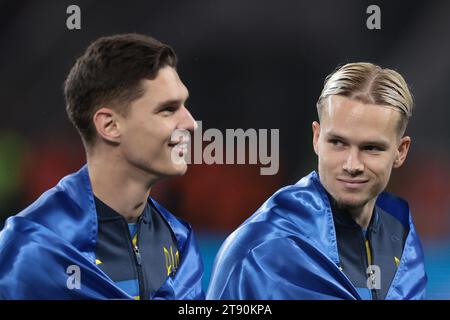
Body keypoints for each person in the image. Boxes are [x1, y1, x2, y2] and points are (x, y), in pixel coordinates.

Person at [0, 34, 204, 300]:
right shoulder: (31, 247)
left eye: (184, 105)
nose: (189, 123)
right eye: (167, 109)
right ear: (110, 126)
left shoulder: (179, 242)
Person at [207, 62, 427, 300]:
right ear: (317, 138)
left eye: (371, 148)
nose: (352, 165)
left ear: (401, 151)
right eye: (338, 143)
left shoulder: (403, 236)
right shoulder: (259, 249)